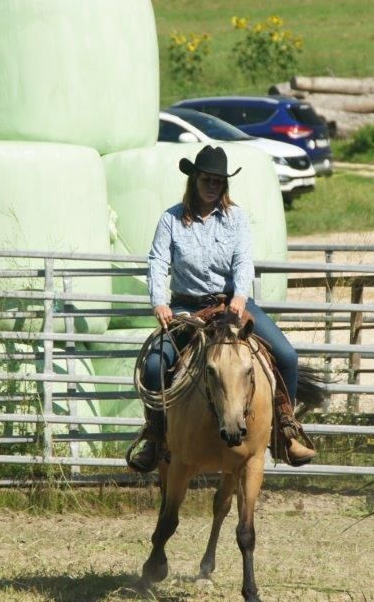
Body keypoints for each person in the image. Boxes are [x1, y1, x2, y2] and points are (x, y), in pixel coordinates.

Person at [126, 144, 317, 472]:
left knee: (286, 356)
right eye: (207, 180)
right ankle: (156, 436)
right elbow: (157, 261)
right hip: (187, 307)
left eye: (219, 181)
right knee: (155, 366)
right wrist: (159, 301)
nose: (213, 186)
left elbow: (244, 260)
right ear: (194, 180)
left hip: (231, 302)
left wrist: (240, 297)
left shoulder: (236, 218)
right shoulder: (171, 220)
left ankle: (286, 430)